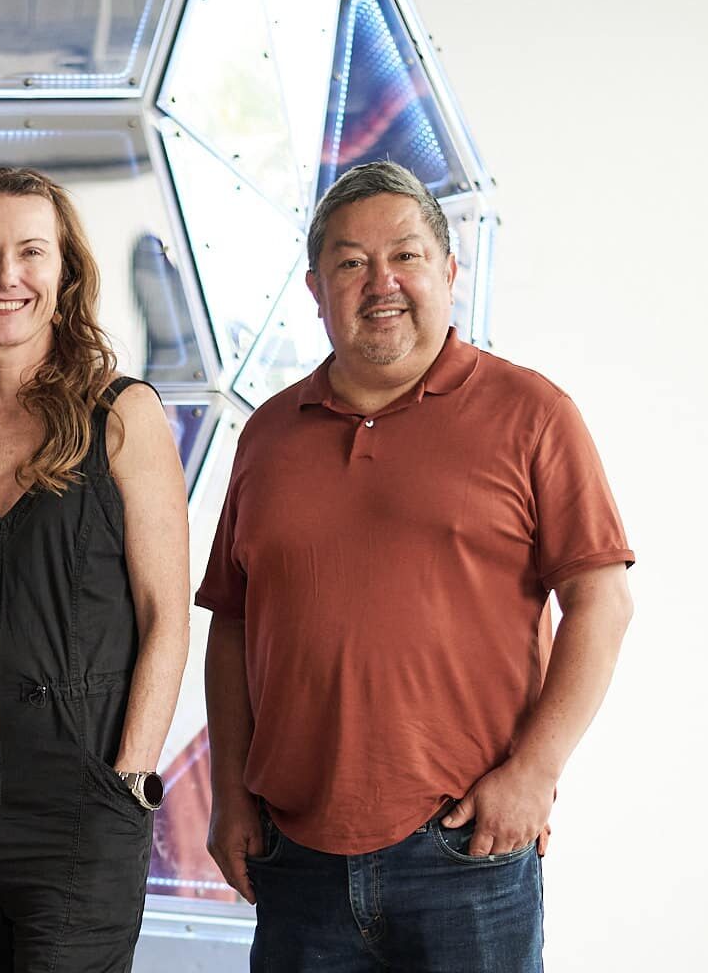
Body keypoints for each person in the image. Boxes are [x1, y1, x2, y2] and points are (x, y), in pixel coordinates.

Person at [198, 161, 634, 972]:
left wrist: (532, 776)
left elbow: (602, 602)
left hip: (466, 848)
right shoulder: (268, 436)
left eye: (405, 256)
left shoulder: (532, 414)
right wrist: (228, 792)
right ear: (315, 287)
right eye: (351, 263)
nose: (381, 282)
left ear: (449, 272)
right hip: (295, 858)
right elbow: (234, 623)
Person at [0, 166, 191, 972]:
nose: (6, 275)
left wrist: (127, 786)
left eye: (30, 252)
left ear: (66, 273)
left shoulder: (123, 415)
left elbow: (167, 620)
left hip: (79, 812)